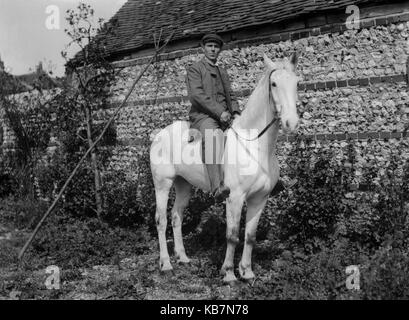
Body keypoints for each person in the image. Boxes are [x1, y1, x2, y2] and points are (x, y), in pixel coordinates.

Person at [186, 33, 240, 203]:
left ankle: (269, 181)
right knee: (212, 136)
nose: (213, 49)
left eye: (216, 47)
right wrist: (219, 112)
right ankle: (217, 187)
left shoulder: (222, 72)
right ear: (203, 48)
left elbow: (230, 94)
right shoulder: (195, 69)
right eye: (209, 46)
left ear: (219, 50)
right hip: (204, 117)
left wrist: (237, 112)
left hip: (225, 116)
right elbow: (197, 96)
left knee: (248, 134)